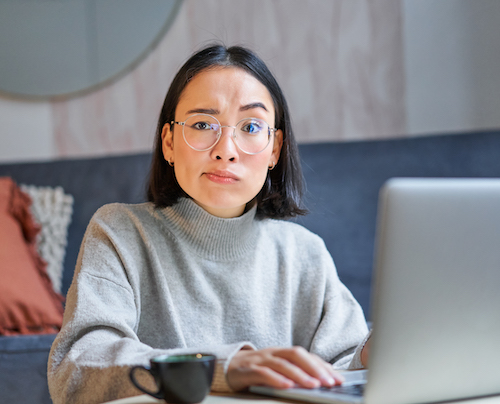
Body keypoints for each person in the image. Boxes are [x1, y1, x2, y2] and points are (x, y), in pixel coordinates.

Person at [48, 44, 370, 404]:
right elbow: (78, 367)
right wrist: (221, 367)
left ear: (274, 149)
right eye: (203, 124)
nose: (226, 149)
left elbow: (348, 363)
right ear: (169, 143)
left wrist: (383, 350)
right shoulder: (120, 231)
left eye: (251, 126)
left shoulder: (305, 251)